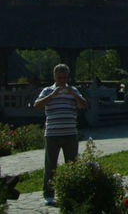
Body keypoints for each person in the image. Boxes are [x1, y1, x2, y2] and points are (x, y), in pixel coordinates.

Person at [33, 64, 87, 206]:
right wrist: (52, 95)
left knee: (72, 164)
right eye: (59, 78)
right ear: (54, 77)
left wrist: (74, 94)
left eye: (64, 78)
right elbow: (37, 106)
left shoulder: (73, 90)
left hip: (70, 133)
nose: (62, 80)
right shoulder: (47, 90)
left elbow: (84, 105)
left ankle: (72, 192)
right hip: (52, 134)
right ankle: (49, 194)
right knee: (51, 165)